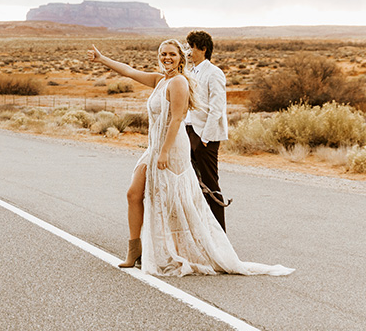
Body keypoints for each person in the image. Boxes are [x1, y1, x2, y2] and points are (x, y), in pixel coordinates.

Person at [88, 40, 293, 277]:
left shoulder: (178, 82)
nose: (167, 58)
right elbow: (129, 71)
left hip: (171, 148)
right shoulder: (159, 80)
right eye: (163, 54)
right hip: (154, 146)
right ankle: (134, 251)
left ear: (180, 58)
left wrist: (164, 152)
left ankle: (184, 248)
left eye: (172, 54)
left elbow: (177, 119)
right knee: (134, 193)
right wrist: (102, 59)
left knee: (174, 201)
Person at [184, 30, 229, 230]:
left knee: (210, 183)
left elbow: (217, 107)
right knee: (193, 183)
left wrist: (206, 137)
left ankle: (219, 233)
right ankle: (202, 230)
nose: (188, 51)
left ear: (203, 49)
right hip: (188, 132)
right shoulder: (191, 71)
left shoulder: (214, 73)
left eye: (191, 47)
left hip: (204, 136)